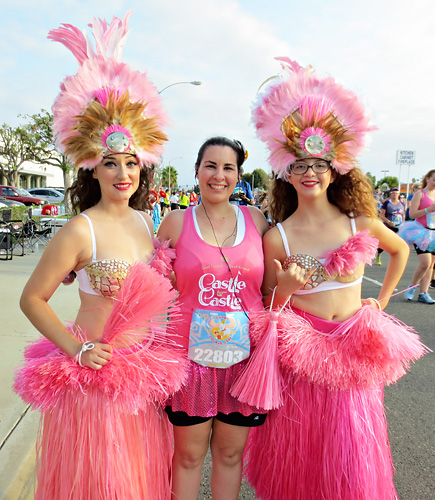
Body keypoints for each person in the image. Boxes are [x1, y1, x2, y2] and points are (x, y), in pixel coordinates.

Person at [13, 14, 186, 500]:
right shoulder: (79, 228)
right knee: (104, 484)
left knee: (141, 479)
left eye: (131, 162)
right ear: (94, 167)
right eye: (111, 163)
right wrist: (77, 350)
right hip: (97, 374)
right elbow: (32, 300)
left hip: (142, 371)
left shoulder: (142, 221)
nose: (123, 172)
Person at [241, 57, 426, 500]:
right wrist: (284, 289)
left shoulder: (356, 221)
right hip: (300, 353)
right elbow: (267, 301)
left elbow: (399, 249)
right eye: (300, 165)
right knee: (300, 446)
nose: (310, 173)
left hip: (351, 346)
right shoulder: (277, 236)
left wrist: (380, 301)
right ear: (287, 172)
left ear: (334, 169)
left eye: (318, 164)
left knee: (350, 448)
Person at [158, 136, 270, 500]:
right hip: (189, 362)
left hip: (244, 360)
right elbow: (149, 285)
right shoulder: (175, 222)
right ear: (196, 171)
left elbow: (277, 280)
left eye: (228, 168)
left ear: (239, 176)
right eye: (211, 165)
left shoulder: (256, 220)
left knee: (230, 453)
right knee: (188, 456)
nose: (218, 175)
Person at [399, 169, 435, 304]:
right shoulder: (420, 194)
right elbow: (412, 215)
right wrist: (428, 209)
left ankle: (423, 293)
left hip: (434, 232)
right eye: (434, 180)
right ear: (427, 179)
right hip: (421, 232)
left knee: (431, 264)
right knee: (425, 263)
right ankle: (412, 286)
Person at [375, 187, 405, 265]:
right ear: (390, 195)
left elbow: (403, 215)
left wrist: (403, 224)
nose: (395, 195)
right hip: (388, 226)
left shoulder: (401, 203)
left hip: (398, 226)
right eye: (393, 193)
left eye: (396, 193)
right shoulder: (387, 203)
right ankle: (379, 254)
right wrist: (389, 222)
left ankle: (397, 260)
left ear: (398, 194)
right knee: (385, 244)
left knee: (398, 244)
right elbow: (381, 215)